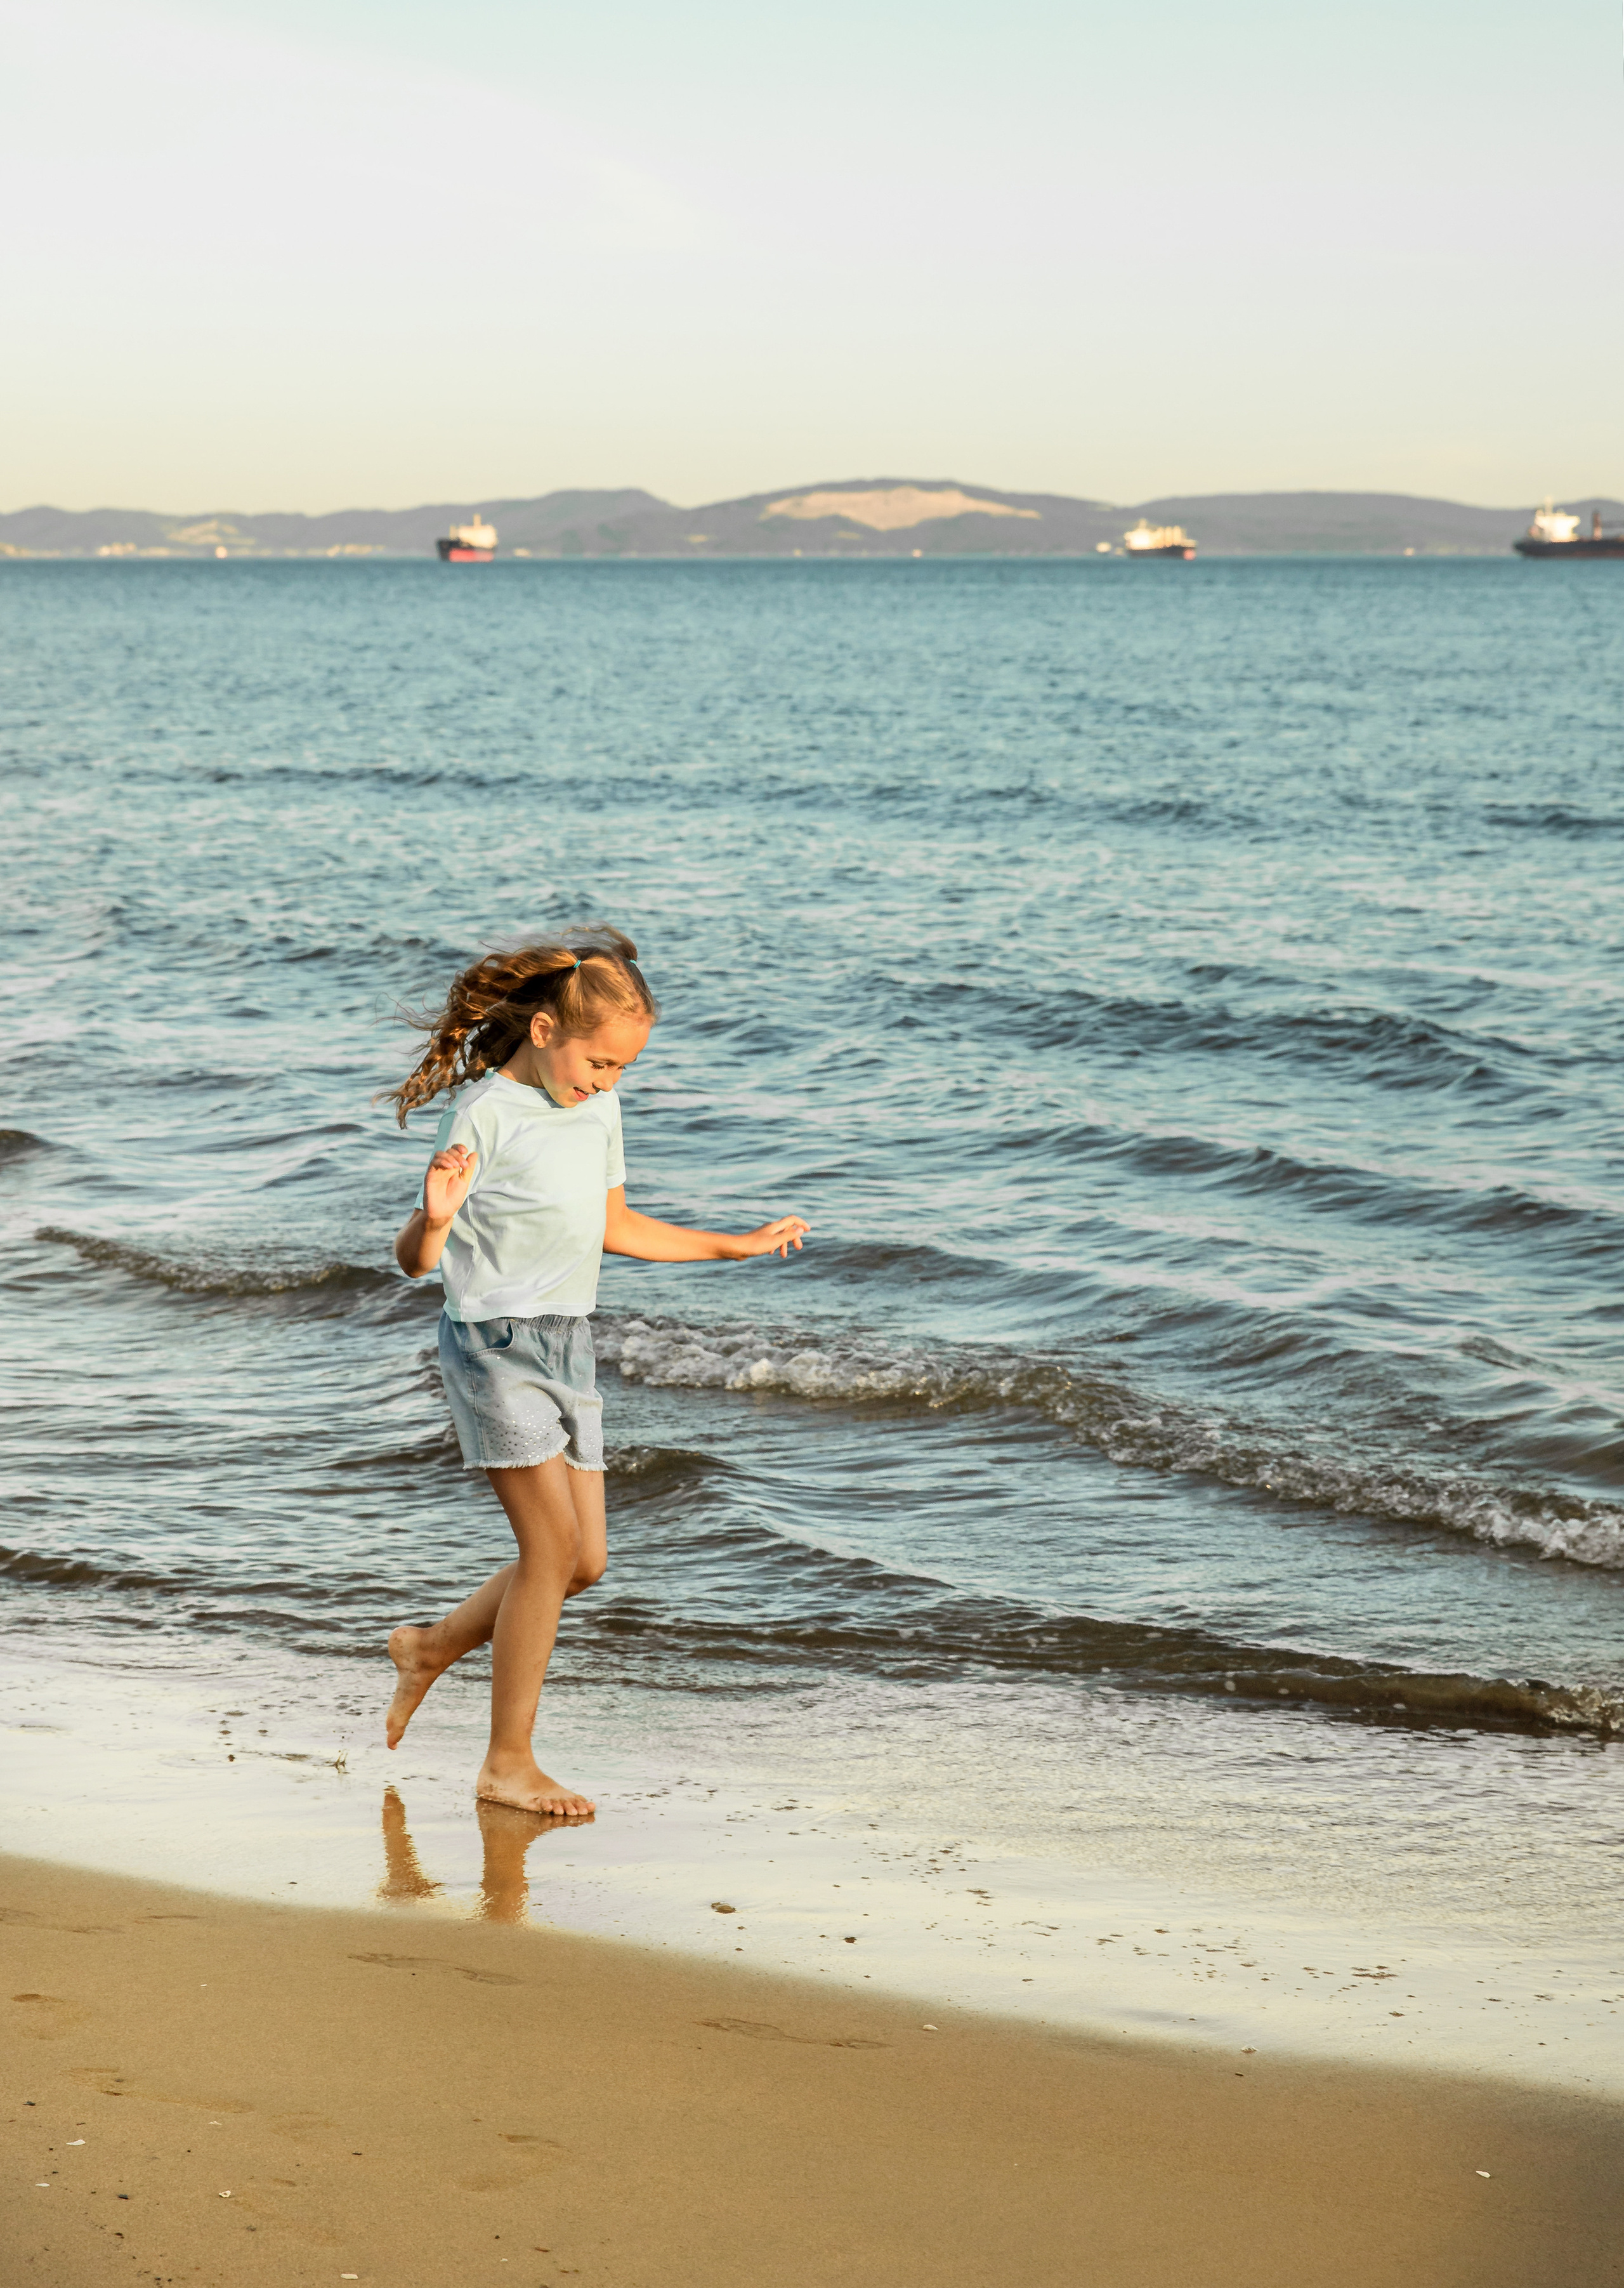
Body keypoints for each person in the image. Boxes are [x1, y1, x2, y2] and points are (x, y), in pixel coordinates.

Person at [383, 928, 808, 1818]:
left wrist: (731, 1245)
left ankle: (430, 1648)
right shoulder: (487, 1115)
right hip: (495, 1344)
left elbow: (615, 1225)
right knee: (549, 1552)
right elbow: (416, 1262)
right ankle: (507, 1762)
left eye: (623, 1069)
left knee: (586, 1562)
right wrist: (435, 1217)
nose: (608, 1081)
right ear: (545, 1031)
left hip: (568, 1341)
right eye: (600, 1062)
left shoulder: (598, 1110)